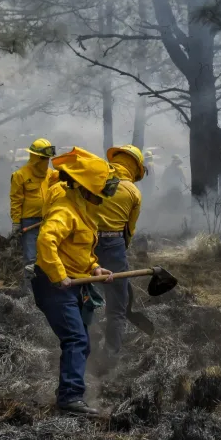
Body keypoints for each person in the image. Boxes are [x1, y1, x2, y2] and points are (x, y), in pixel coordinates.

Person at [32, 147, 120, 415]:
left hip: (74, 283)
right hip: (54, 286)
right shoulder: (65, 210)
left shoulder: (80, 207)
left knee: (80, 340)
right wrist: (59, 277)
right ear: (87, 188)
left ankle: (67, 393)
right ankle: (70, 398)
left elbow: (77, 250)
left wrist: (94, 269)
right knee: (75, 339)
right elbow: (46, 241)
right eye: (100, 190)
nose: (102, 196)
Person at [95, 144, 144, 360]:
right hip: (114, 245)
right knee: (117, 305)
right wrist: (119, 250)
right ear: (134, 167)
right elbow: (129, 231)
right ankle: (111, 355)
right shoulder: (133, 192)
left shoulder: (94, 181)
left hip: (87, 243)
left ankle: (88, 341)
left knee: (84, 296)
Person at [9, 138, 58, 269]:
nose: (46, 162)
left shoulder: (51, 175)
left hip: (48, 221)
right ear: (35, 157)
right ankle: (30, 289)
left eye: (48, 159)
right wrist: (16, 222)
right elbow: (16, 200)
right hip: (29, 223)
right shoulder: (20, 175)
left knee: (49, 256)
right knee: (31, 259)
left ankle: (47, 288)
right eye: (44, 158)